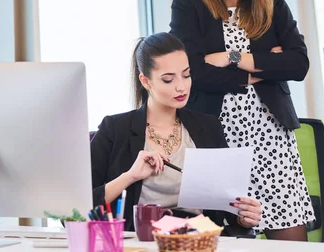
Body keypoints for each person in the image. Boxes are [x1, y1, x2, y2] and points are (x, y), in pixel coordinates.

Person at [169, 0, 315, 241]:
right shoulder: (189, 6)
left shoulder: (273, 6)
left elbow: (299, 64)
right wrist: (263, 68)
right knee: (219, 236)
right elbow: (194, 72)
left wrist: (231, 57)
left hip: (271, 138)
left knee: (289, 237)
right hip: (217, 135)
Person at [90, 32, 262, 235]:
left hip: (198, 239)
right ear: (146, 81)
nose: (181, 86)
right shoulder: (115, 128)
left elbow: (228, 210)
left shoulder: (208, 127)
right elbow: (79, 209)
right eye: (168, 79)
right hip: (143, 240)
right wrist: (129, 176)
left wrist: (245, 218)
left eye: (186, 75)